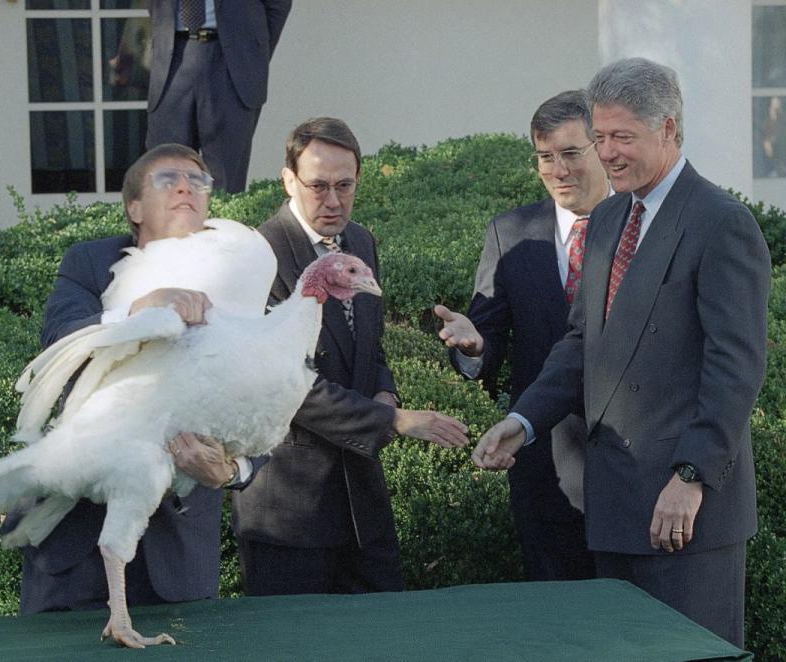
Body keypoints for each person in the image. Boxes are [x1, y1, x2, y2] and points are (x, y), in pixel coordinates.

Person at [472, 58, 770, 647]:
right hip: (612, 509)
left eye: (622, 137)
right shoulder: (609, 217)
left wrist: (692, 477)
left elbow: (735, 369)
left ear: (669, 130)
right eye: (600, 137)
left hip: (686, 514)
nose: (607, 154)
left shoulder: (721, 222)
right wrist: (523, 419)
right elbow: (582, 343)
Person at [1, 143, 256, 615]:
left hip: (177, 558)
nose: (186, 186)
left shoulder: (239, 277)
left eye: (198, 181)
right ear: (133, 208)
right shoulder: (89, 263)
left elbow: (266, 400)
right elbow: (61, 340)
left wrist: (232, 471)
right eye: (168, 179)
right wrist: (137, 311)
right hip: (74, 551)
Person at [232, 117, 471, 596]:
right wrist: (393, 419)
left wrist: (385, 388)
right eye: (318, 187)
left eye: (345, 185)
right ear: (287, 180)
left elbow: (369, 344)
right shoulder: (257, 257)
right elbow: (286, 385)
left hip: (363, 501)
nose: (334, 201)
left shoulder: (360, 242)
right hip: (288, 511)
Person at [434, 90, 609, 582]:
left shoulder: (639, 229)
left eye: (572, 153)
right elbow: (485, 340)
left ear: (602, 147)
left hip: (633, 467)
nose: (559, 169)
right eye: (546, 157)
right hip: (544, 466)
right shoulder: (510, 232)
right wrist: (474, 347)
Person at [145, 0, 292, 193]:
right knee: (165, 172)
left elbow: (278, 5)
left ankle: (220, 224)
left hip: (231, 64)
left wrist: (253, 54)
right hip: (172, 58)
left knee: (226, 179)